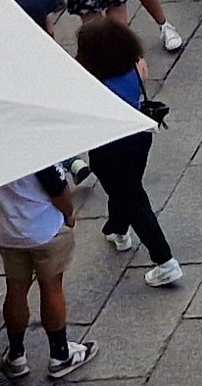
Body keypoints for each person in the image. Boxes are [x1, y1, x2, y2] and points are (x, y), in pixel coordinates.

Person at [74, 19, 189, 285]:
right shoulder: (135, 67)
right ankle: (118, 229)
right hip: (140, 136)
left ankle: (164, 260)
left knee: (132, 197)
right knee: (126, 188)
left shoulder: (94, 84)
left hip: (110, 147)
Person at [0, 163, 95, 381]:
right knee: (51, 288)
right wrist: (68, 214)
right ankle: (60, 354)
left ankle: (16, 355)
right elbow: (58, 188)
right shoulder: (31, 146)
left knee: (15, 290)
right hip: (45, 230)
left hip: (8, 234)